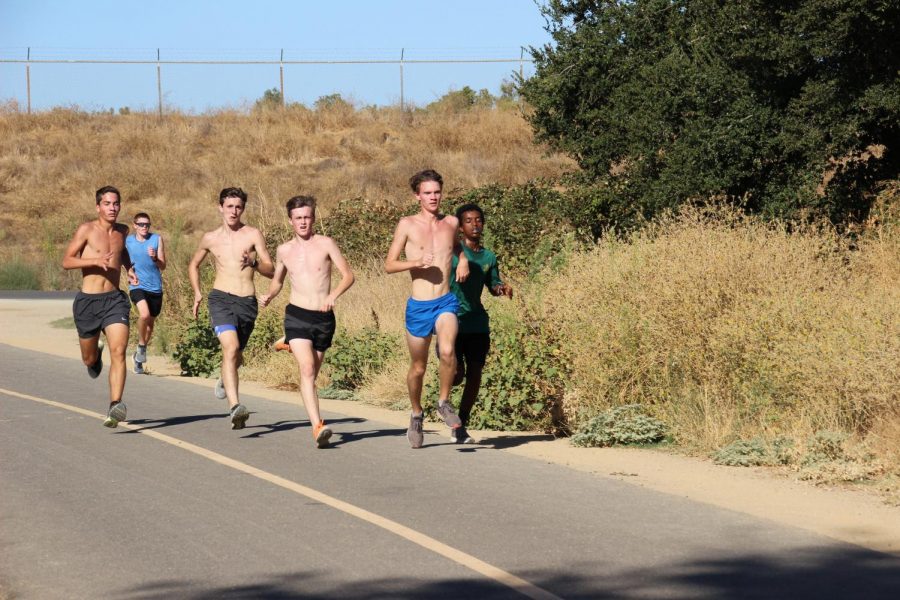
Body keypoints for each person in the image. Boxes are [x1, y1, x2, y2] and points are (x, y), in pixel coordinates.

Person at [260, 196, 355, 448]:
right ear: (290, 220)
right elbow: (278, 280)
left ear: (313, 218)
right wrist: (270, 294)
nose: (303, 222)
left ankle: (289, 343)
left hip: (323, 318)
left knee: (313, 373)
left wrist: (333, 296)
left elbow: (348, 275)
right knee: (307, 369)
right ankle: (317, 426)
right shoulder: (284, 250)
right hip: (297, 314)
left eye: (307, 217)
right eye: (298, 218)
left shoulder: (326, 244)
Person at [385, 169, 470, 448]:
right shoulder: (407, 224)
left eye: (437, 192)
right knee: (419, 368)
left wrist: (464, 260)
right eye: (427, 193)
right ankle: (416, 413)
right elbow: (389, 265)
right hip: (419, 306)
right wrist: (416, 262)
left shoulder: (451, 222)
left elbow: (455, 247)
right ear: (417, 196)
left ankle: (443, 403)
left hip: (445, 300)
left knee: (447, 351)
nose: (433, 197)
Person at [188, 187, 274, 430]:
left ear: (243, 209)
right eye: (229, 206)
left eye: (238, 207)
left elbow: (271, 270)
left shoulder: (253, 234)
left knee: (236, 355)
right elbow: (193, 265)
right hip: (220, 299)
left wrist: (254, 263)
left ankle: (225, 378)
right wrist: (197, 293)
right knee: (231, 347)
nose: (234, 211)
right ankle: (236, 407)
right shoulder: (210, 238)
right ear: (220, 208)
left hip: (247, 302)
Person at [62, 185, 137, 428]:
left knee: (120, 350)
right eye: (107, 203)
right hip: (88, 302)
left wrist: (130, 268)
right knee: (88, 359)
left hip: (114, 300)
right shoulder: (87, 229)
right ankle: (95, 359)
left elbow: (122, 251)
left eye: (116, 203)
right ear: (98, 207)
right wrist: (95, 260)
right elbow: (67, 260)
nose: (113, 208)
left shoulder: (123, 231)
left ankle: (115, 404)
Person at [448, 203, 513, 443]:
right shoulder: (453, 251)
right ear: (460, 227)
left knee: (475, 373)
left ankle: (461, 424)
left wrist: (501, 288)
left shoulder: (488, 256)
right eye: (468, 220)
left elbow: (493, 284)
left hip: (477, 323)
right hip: (452, 321)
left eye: (478, 220)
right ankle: (444, 403)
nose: (475, 224)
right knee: (457, 374)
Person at [125, 212, 166, 374]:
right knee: (144, 315)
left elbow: (163, 266)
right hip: (137, 285)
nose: (144, 227)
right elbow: (122, 260)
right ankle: (141, 347)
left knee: (150, 325)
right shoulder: (127, 241)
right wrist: (128, 272)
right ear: (134, 225)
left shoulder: (156, 239)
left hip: (155, 287)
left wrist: (155, 258)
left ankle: (139, 354)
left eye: (147, 225)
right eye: (141, 224)